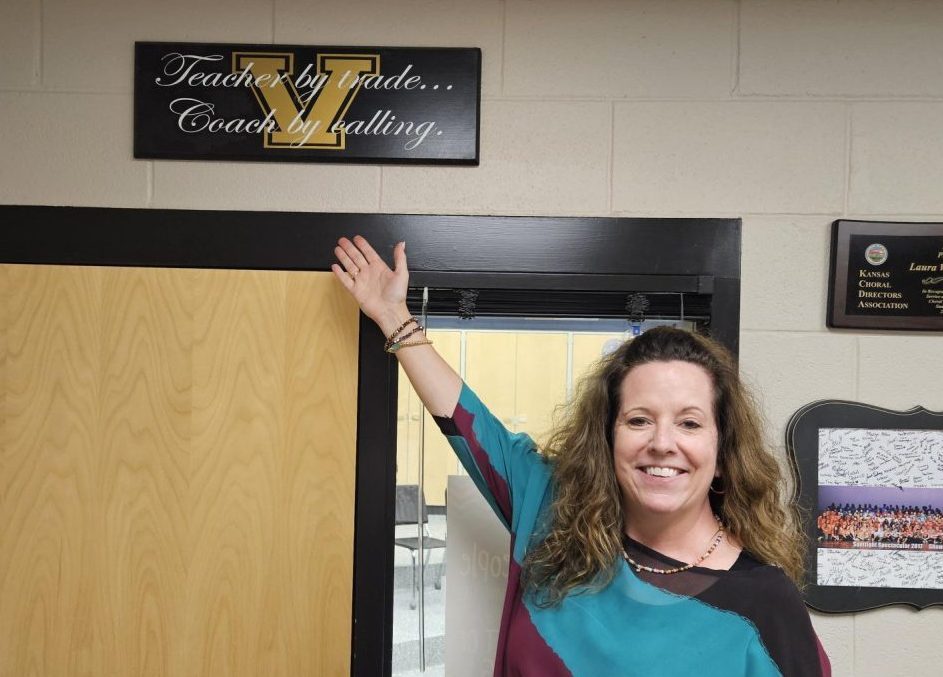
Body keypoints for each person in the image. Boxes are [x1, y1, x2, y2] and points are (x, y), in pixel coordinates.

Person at [332, 235, 831, 677]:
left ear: (723, 451)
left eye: (690, 423)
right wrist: (394, 317)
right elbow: (470, 424)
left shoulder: (764, 605)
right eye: (638, 420)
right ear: (607, 440)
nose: (662, 442)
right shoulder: (553, 516)